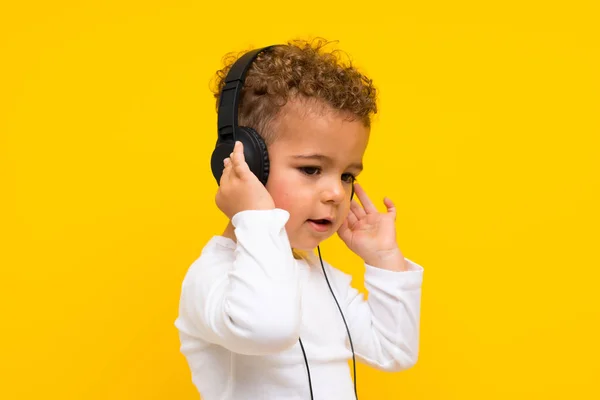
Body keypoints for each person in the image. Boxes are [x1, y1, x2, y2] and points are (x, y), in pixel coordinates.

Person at [174, 38, 425, 400]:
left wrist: (385, 261)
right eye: (311, 169)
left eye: (347, 175)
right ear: (246, 163)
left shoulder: (323, 280)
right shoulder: (212, 277)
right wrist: (255, 217)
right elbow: (269, 328)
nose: (337, 193)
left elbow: (394, 352)